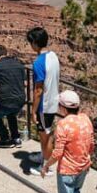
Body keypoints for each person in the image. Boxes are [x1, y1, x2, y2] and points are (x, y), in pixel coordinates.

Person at [41, 91, 95, 193]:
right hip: (83, 166)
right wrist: (88, 158)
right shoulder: (86, 119)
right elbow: (91, 144)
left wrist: (46, 165)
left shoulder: (63, 125)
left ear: (63, 107)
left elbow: (57, 153)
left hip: (67, 169)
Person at [27, 27, 60, 176]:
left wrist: (33, 111)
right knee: (46, 132)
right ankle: (44, 156)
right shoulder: (53, 56)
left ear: (35, 42)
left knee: (45, 135)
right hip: (53, 101)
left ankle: (47, 166)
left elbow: (38, 90)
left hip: (44, 106)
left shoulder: (39, 63)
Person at [0, 44, 26, 148]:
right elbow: (24, 84)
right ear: (6, 53)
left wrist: (0, 94)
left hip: (6, 100)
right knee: (11, 113)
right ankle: (16, 138)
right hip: (21, 99)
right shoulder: (19, 63)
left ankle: (5, 139)